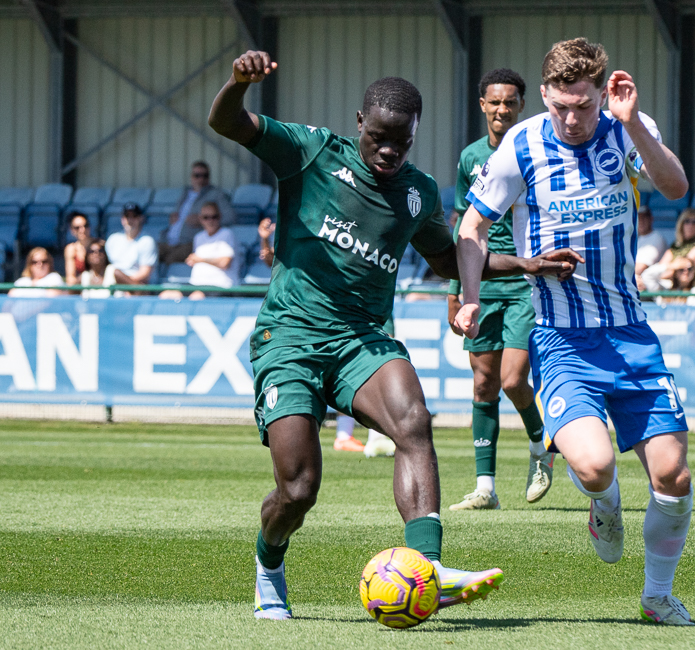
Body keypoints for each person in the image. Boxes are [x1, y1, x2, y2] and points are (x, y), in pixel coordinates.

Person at [208, 49, 578, 620]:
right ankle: (269, 562)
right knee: (299, 490)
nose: (388, 150)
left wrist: (525, 264)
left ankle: (426, 568)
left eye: (400, 142)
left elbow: (450, 259)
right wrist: (237, 83)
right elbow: (227, 122)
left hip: (362, 341)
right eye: (378, 137)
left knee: (413, 422)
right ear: (360, 122)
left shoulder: (418, 193)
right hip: (290, 338)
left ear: (415, 134)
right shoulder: (311, 153)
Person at [455, 37, 695, 625]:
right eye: (561, 106)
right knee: (593, 466)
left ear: (602, 94)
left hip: (630, 333)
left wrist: (631, 121)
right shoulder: (520, 145)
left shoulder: (626, 128)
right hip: (561, 337)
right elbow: (471, 227)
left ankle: (657, 596)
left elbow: (675, 187)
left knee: (673, 475)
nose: (572, 119)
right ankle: (604, 505)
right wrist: (470, 296)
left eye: (584, 106)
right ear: (544, 95)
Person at [444, 68, 553, 511]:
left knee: (512, 379)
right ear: (482, 105)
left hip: (525, 282)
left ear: (522, 105)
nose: (502, 109)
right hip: (482, 283)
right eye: (495, 102)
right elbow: (463, 227)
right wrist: (455, 291)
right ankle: (485, 488)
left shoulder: (536, 152)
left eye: (510, 102)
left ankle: (539, 445)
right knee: (483, 383)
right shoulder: (470, 158)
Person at [162, 202, 241, 300]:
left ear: (220, 217)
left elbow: (225, 263)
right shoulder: (198, 237)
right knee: (167, 295)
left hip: (221, 286)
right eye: (206, 217)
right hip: (196, 285)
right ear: (200, 219)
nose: (210, 221)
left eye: (214, 217)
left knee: (196, 296)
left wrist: (200, 260)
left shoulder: (227, 234)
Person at [160, 161, 236, 264]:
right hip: (168, 241)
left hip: (189, 242)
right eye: (197, 175)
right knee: (149, 254)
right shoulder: (185, 193)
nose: (201, 179)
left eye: (205, 176)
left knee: (169, 260)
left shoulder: (216, 194)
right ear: (191, 177)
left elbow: (230, 217)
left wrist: (203, 220)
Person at [641, 208, 695, 291]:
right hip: (671, 287)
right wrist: (673, 266)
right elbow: (661, 269)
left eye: (694, 222)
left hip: (689, 289)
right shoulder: (675, 246)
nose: (690, 225)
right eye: (687, 221)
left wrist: (671, 267)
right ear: (681, 224)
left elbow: (682, 269)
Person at [105, 203, 158, 292]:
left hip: (138, 287)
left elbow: (145, 273)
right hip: (114, 285)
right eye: (127, 216)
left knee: (117, 273)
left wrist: (122, 282)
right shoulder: (113, 239)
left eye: (134, 216)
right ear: (122, 219)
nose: (130, 220)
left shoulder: (147, 241)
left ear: (141, 218)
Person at [633, 204, 667, 292]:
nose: (641, 222)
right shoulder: (635, 238)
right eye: (638, 218)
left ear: (651, 219)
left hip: (650, 287)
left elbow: (640, 268)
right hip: (636, 282)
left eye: (644, 218)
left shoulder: (656, 238)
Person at [63, 212, 94, 285]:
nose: (82, 230)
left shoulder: (100, 245)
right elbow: (70, 278)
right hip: (81, 287)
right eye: (77, 228)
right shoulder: (71, 249)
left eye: (85, 226)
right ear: (72, 230)